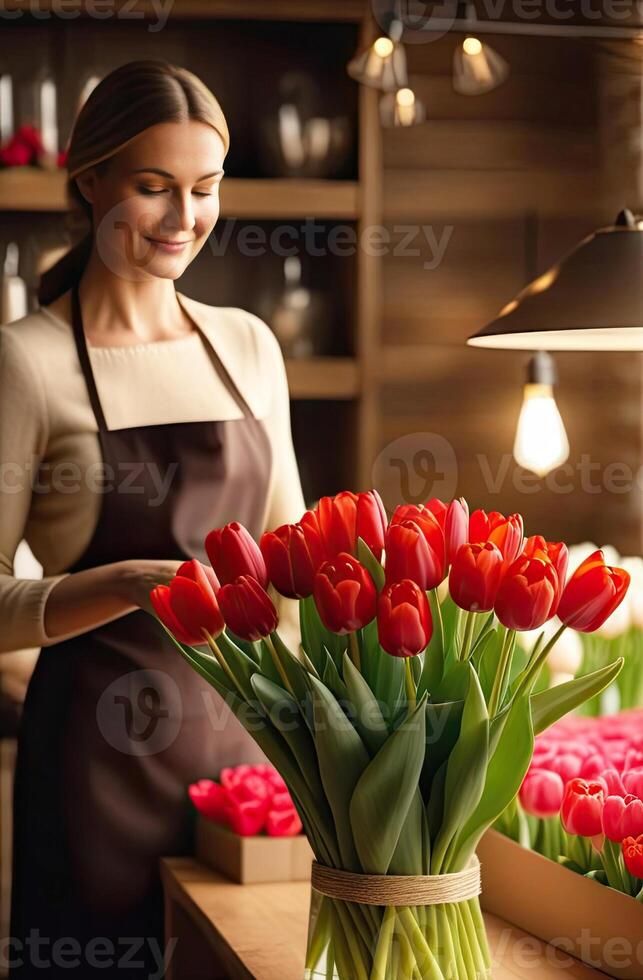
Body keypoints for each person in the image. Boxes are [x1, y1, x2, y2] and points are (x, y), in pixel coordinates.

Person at [0, 59, 305, 977]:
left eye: (204, 190)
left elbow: (292, 575)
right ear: (87, 180)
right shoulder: (27, 362)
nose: (184, 221)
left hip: (243, 768)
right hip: (94, 771)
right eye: (153, 188)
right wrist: (133, 585)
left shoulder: (247, 345)